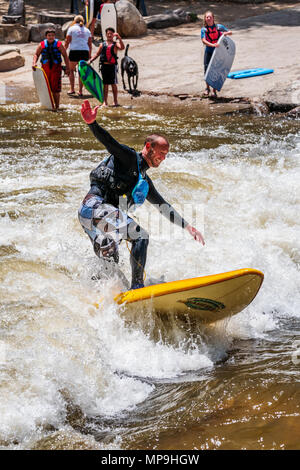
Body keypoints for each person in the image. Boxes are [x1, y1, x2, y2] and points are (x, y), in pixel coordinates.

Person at [78, 100, 205, 290]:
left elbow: (163, 206)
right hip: (94, 207)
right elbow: (109, 142)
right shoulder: (128, 158)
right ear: (148, 146)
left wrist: (188, 227)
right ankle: (137, 287)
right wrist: (92, 123)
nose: (162, 158)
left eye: (165, 155)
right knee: (140, 236)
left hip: (92, 218)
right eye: (161, 153)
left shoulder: (144, 182)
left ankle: (101, 298)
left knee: (111, 265)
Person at [32, 29, 70, 110]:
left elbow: (65, 56)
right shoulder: (42, 44)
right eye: (49, 35)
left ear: (54, 36)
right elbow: (36, 54)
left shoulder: (59, 44)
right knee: (46, 87)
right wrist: (34, 63)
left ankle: (57, 106)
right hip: (45, 70)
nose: (51, 37)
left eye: (52, 35)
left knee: (55, 89)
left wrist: (68, 68)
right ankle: (48, 105)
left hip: (56, 69)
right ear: (46, 36)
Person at [88, 27, 124, 107]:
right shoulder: (102, 44)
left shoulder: (115, 44)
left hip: (112, 67)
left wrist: (119, 38)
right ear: (106, 34)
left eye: (111, 33)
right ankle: (105, 101)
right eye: (108, 33)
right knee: (105, 84)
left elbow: (122, 48)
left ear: (113, 35)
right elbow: (97, 54)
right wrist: (90, 60)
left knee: (113, 83)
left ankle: (115, 101)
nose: (109, 35)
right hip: (104, 67)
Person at [201, 11, 232, 97]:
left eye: (210, 17)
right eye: (207, 17)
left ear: (213, 18)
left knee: (216, 70)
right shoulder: (204, 29)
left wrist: (226, 33)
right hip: (209, 52)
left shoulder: (219, 27)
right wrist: (213, 45)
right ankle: (207, 88)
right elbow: (203, 40)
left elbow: (230, 32)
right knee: (207, 70)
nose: (209, 18)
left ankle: (214, 91)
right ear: (205, 19)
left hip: (218, 53)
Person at [64, 15, 92, 97]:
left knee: (71, 70)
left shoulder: (71, 29)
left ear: (74, 21)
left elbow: (67, 41)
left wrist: (63, 51)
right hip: (84, 52)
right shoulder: (87, 30)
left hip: (74, 51)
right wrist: (89, 55)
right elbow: (90, 44)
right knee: (81, 72)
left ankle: (72, 89)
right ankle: (80, 91)